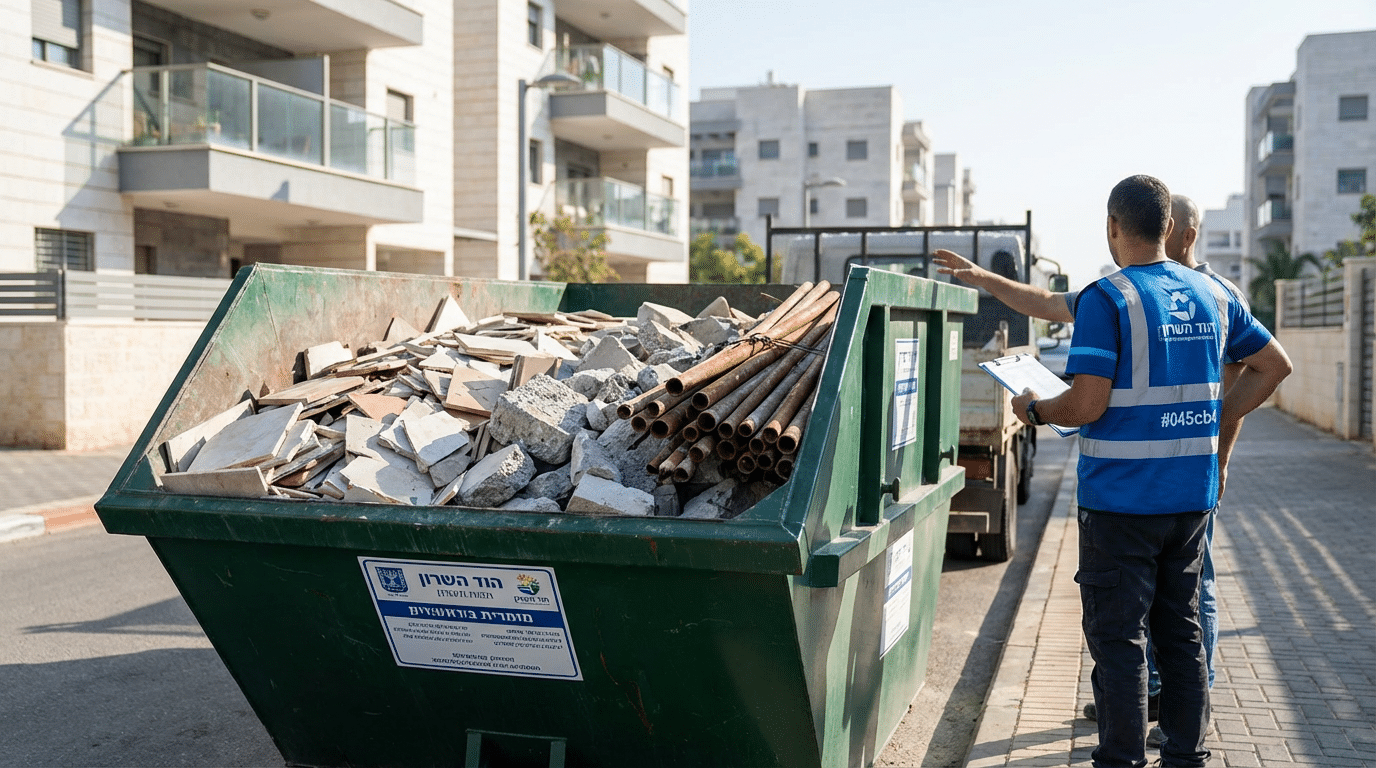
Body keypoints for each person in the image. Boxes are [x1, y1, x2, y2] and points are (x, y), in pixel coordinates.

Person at [1006, 175, 1291, 767]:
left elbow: (1086, 405)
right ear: (1168, 227)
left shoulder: (1107, 299)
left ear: (1113, 226)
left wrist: (1034, 409)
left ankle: (1122, 760)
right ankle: (1186, 757)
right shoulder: (1214, 294)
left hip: (1120, 505)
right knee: (1182, 636)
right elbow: (1273, 365)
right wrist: (1214, 418)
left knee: (1120, 643)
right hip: (1190, 501)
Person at [932, 194, 1245, 729]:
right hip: (1173, 485)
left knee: (1165, 618)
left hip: (1152, 488)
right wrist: (984, 278)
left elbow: (1240, 379)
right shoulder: (1128, 294)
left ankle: (1169, 714)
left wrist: (1219, 455)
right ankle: (1167, 719)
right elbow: (1046, 302)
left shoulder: (1206, 294)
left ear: (1180, 232)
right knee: (1175, 623)